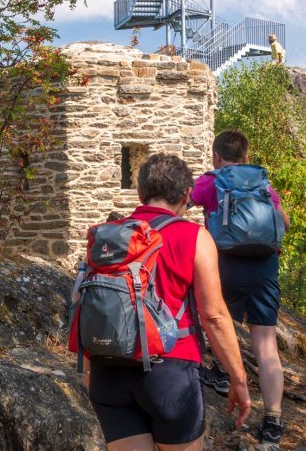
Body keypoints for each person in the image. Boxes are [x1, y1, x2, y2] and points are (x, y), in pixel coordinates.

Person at [85, 153, 251, 451]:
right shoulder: (194, 236)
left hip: (107, 371)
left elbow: (93, 304)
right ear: (187, 195)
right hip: (169, 372)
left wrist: (89, 370)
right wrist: (238, 378)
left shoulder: (106, 236)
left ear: (140, 193)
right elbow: (213, 315)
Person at [192, 130, 292, 444]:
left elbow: (177, 201)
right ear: (246, 156)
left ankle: (222, 374)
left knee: (217, 320)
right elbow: (285, 223)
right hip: (264, 267)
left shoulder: (211, 182)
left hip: (225, 264)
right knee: (266, 345)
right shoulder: (263, 184)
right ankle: (273, 420)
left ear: (216, 156)